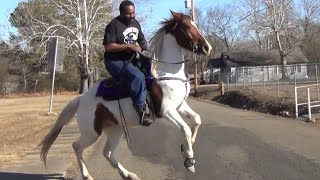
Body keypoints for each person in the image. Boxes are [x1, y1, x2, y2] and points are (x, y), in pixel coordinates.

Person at [103, 0, 153, 126]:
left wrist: (142, 46)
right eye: (128, 13)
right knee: (137, 76)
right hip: (114, 61)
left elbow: (142, 41)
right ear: (121, 13)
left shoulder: (135, 23)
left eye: (133, 13)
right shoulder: (113, 25)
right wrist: (129, 47)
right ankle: (141, 112)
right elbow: (108, 47)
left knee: (150, 73)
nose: (132, 16)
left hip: (132, 59)